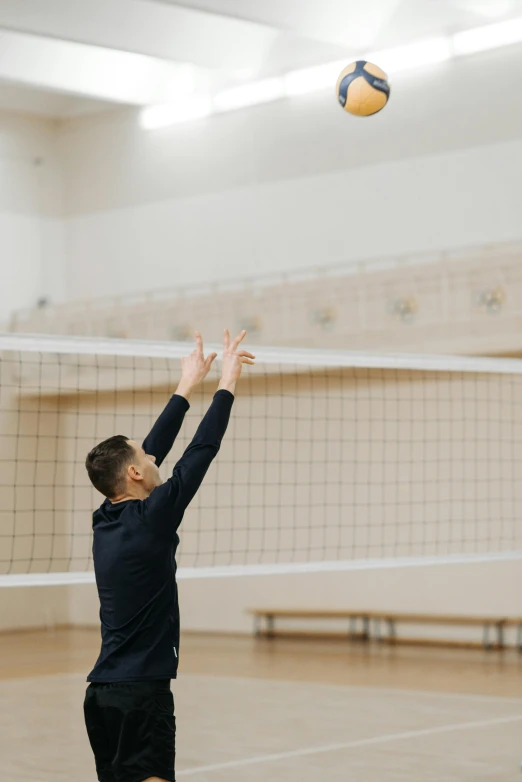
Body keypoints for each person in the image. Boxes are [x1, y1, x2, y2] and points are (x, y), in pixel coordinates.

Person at [83, 330, 254, 782]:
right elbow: (200, 451)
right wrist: (225, 384)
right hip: (142, 694)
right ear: (136, 473)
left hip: (101, 696)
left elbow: (155, 446)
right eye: (145, 457)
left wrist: (186, 384)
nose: (153, 456)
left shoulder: (106, 515)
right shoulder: (153, 518)